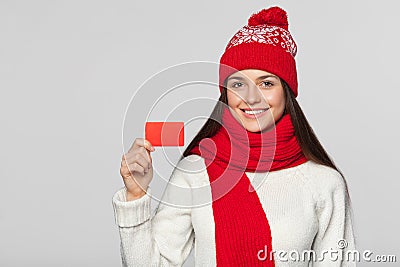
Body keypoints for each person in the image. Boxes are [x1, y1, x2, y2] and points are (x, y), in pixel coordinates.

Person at [112, 5, 357, 267]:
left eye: (267, 83)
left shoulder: (324, 182)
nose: (251, 98)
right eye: (238, 84)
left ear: (287, 91)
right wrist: (136, 196)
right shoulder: (195, 172)